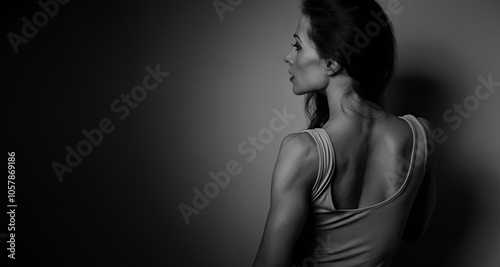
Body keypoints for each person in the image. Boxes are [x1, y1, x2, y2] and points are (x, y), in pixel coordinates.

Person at [252, 0, 437, 266]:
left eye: (297, 46)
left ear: (332, 63)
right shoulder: (422, 137)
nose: (288, 57)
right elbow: (413, 232)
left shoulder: (303, 151)